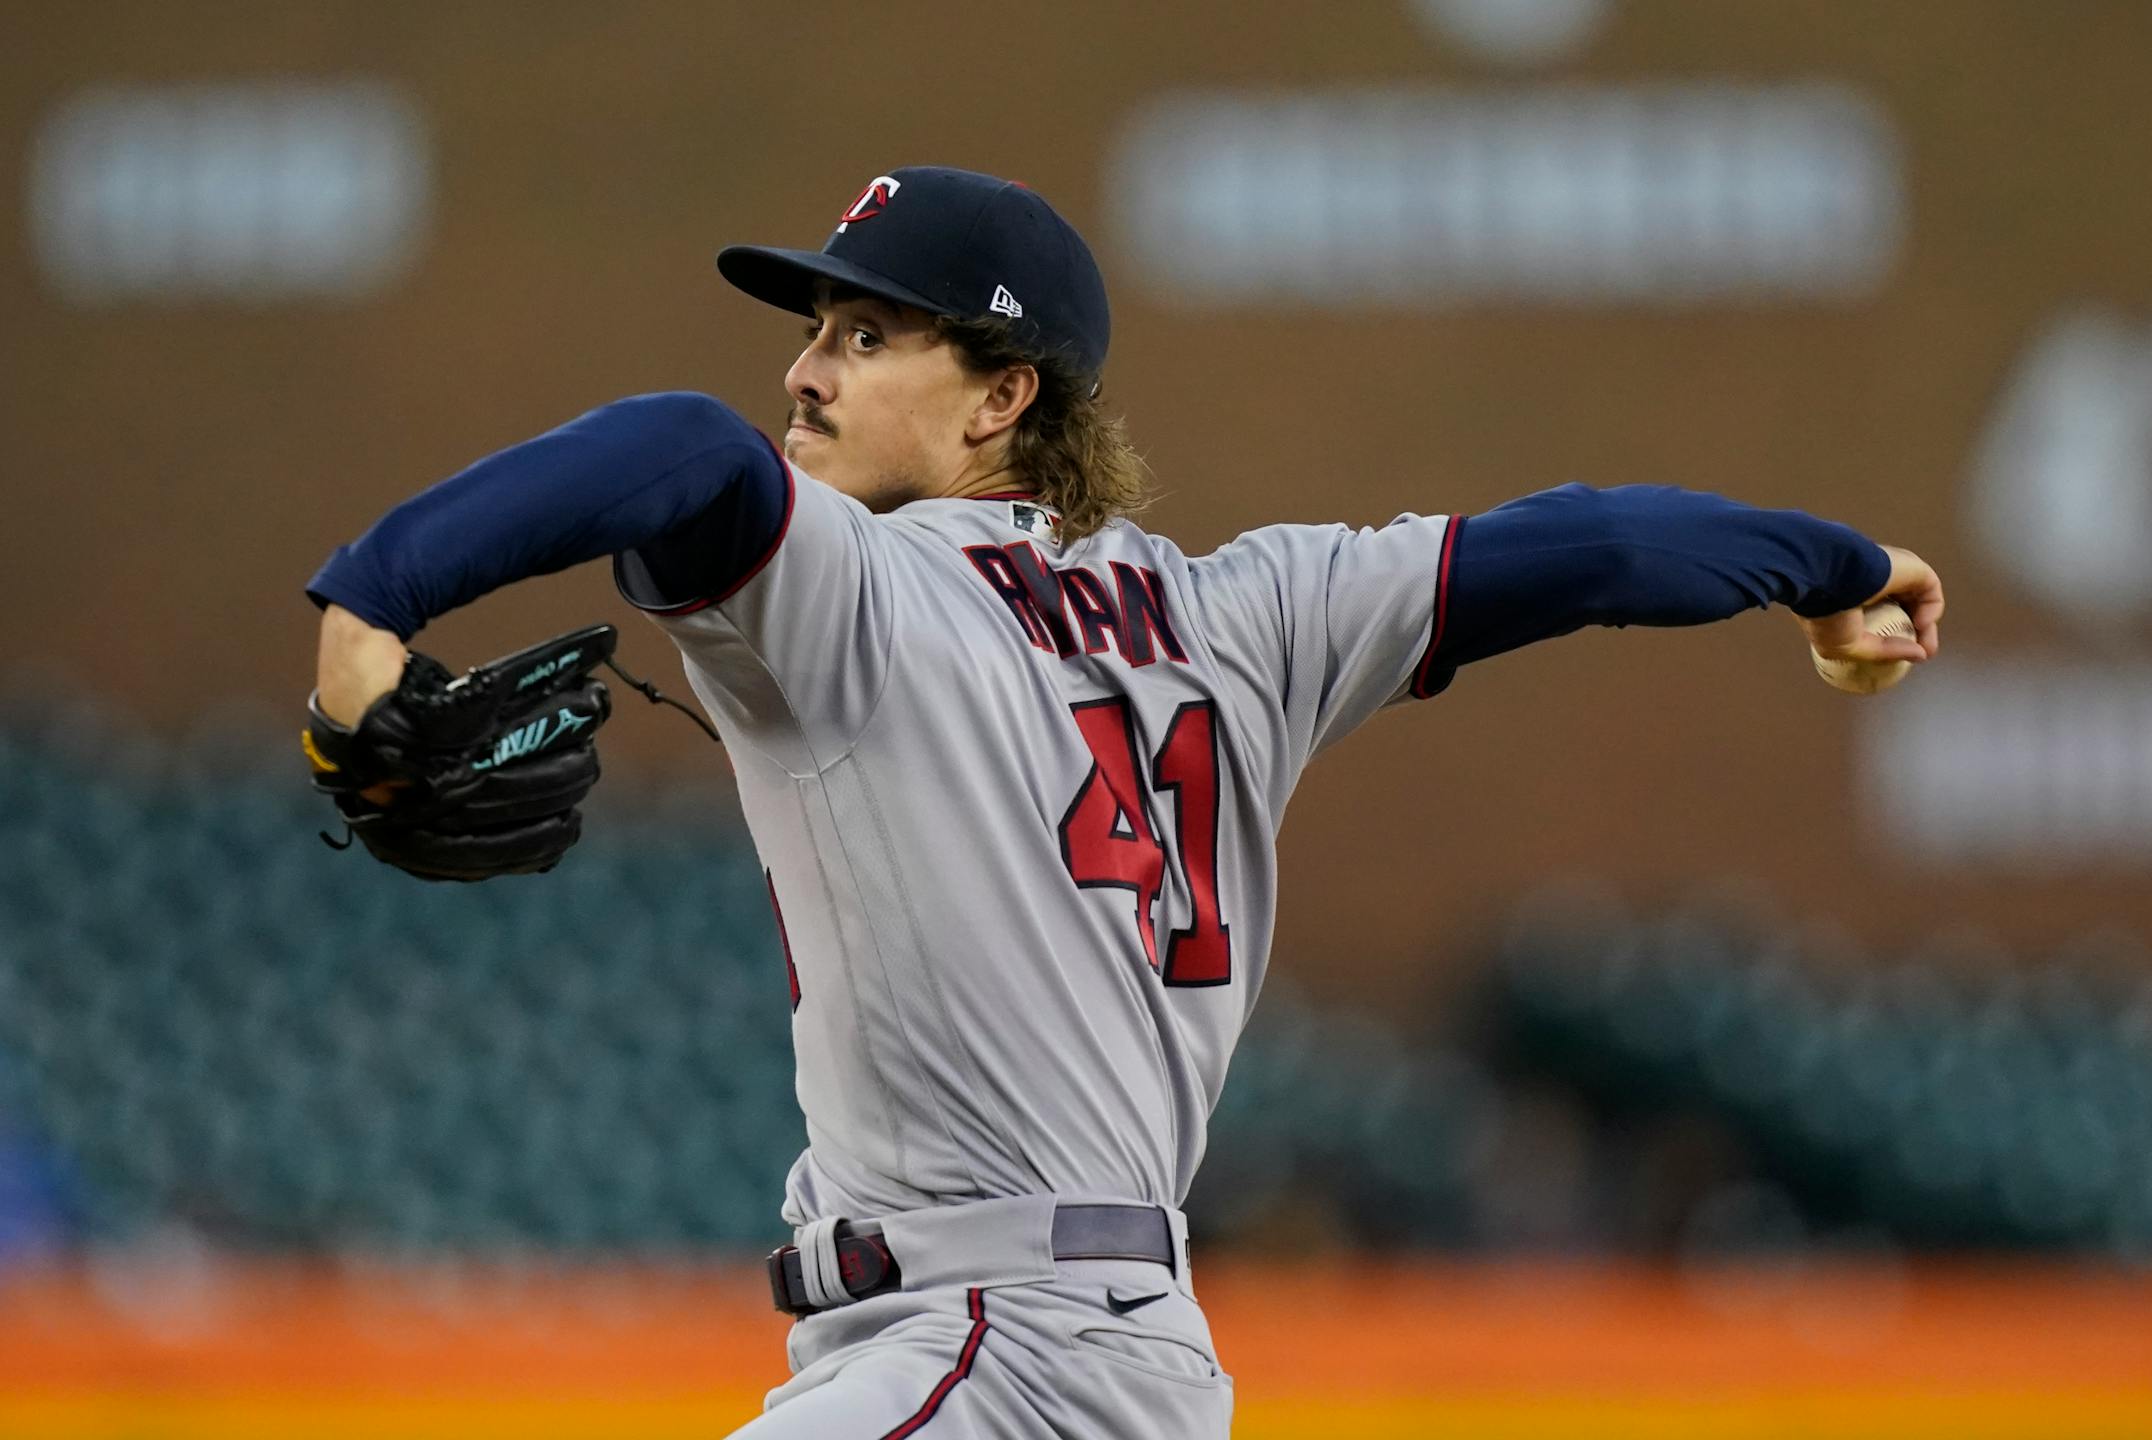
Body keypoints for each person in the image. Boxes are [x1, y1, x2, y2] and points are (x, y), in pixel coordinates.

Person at [306, 165, 1945, 1439]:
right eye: (811, 332)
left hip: (992, 1351)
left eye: (865, 336)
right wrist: (1834, 566)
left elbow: (672, 445)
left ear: (1002, 395)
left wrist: (370, 608)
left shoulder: (862, 593)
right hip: (1106, 1351)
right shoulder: (1250, 617)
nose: (805, 376)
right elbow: (1585, 546)